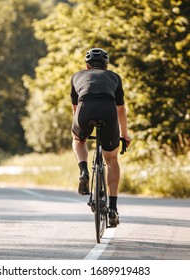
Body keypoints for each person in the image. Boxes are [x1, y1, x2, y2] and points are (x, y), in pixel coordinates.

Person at [70, 47, 131, 227]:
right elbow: (121, 110)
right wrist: (124, 135)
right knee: (111, 159)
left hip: (85, 110)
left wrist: (81, 131)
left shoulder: (76, 77)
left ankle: (83, 170)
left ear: (87, 66)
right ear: (106, 65)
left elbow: (75, 109)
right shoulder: (114, 77)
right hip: (108, 111)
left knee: (78, 139)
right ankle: (112, 209)